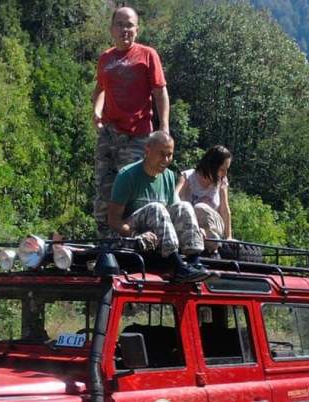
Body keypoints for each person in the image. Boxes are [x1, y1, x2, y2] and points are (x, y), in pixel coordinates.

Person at [92, 5, 170, 235]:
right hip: (109, 134)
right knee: (104, 186)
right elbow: (100, 89)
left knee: (131, 189)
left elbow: (160, 92)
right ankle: (106, 240)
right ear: (111, 29)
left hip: (137, 135)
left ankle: (136, 238)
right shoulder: (105, 58)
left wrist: (164, 127)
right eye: (120, 24)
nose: (125, 29)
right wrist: (96, 112)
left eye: (129, 25)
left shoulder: (147, 55)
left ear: (137, 29)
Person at [108, 131, 208, 282]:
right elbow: (113, 220)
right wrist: (135, 234)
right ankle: (177, 266)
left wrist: (194, 230)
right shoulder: (127, 175)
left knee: (185, 206)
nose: (166, 160)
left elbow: (176, 210)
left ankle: (194, 262)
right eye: (162, 154)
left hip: (159, 234)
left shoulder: (169, 176)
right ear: (147, 150)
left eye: (170, 155)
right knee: (156, 207)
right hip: (131, 235)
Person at [176, 145, 232, 253]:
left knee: (200, 207)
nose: (225, 174)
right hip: (189, 227)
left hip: (215, 226)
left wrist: (229, 237)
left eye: (227, 170)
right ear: (211, 165)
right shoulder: (188, 177)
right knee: (189, 208)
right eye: (222, 170)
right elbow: (175, 200)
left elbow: (225, 210)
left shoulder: (222, 182)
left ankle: (214, 247)